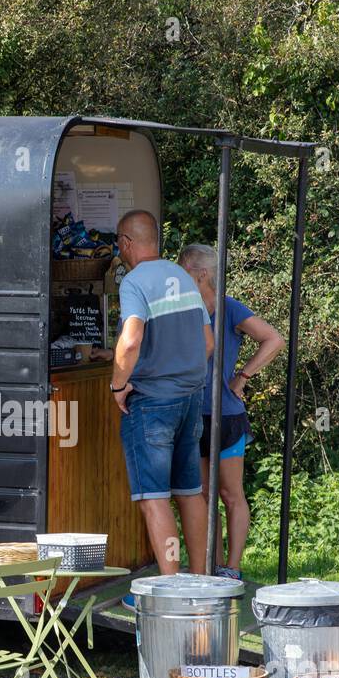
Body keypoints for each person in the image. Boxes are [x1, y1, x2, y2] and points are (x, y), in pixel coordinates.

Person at [102, 210, 214, 596]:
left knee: (154, 499)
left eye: (118, 240)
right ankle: (201, 583)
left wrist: (119, 385)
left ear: (127, 243)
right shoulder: (182, 276)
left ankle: (171, 588)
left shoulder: (134, 282)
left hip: (151, 403)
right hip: (190, 399)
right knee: (189, 491)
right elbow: (209, 343)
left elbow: (130, 341)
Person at [178, 244, 285, 580]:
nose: (177, 278)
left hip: (226, 416)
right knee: (202, 495)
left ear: (201, 274)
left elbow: (273, 340)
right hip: (193, 414)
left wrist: (243, 376)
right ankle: (212, 565)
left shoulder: (228, 308)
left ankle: (233, 568)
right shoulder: (182, 309)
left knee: (230, 493)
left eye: (182, 271)